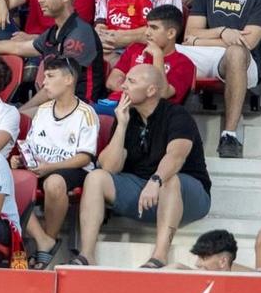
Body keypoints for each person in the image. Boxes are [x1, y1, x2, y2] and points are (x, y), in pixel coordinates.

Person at [75, 63, 212, 268]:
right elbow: (109, 167)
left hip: (188, 194)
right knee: (95, 178)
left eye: (131, 81)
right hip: (143, 190)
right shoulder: (127, 115)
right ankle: (87, 254)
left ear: (151, 90)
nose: (123, 86)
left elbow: (176, 156)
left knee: (170, 179)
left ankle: (159, 256)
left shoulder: (177, 115)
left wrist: (156, 180)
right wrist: (121, 125)